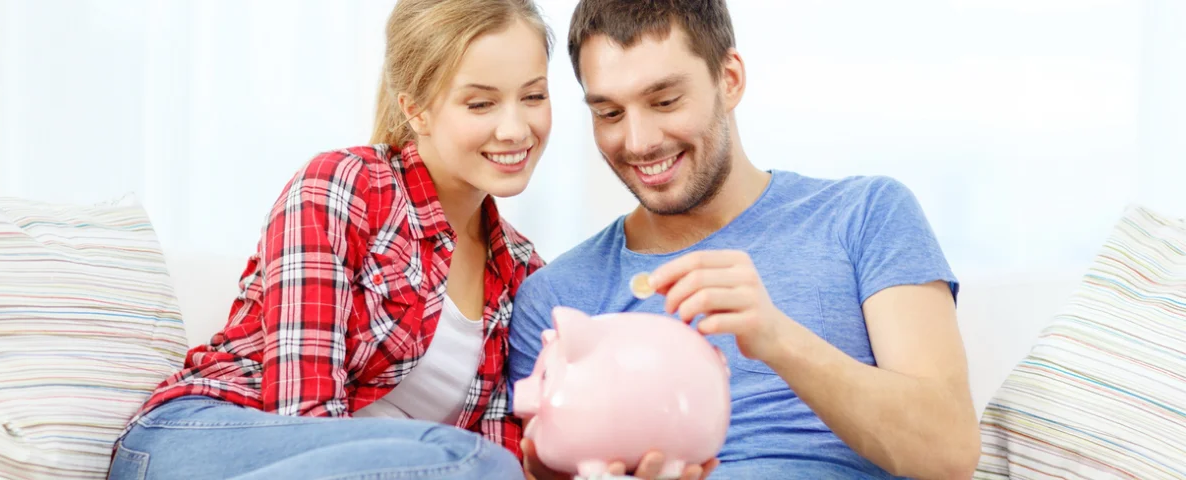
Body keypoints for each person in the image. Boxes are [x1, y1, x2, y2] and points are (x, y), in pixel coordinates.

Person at [508, 1, 982, 479]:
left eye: (665, 101)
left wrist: (777, 338)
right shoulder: (555, 299)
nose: (637, 141)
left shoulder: (865, 215)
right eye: (609, 112)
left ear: (729, 79)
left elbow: (950, 453)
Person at [108, 1, 554, 479]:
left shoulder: (523, 273)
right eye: (480, 103)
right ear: (415, 109)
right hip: (200, 442)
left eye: (533, 97)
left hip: (379, 464)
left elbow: (506, 445)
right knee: (473, 461)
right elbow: (301, 410)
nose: (515, 129)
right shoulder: (343, 188)